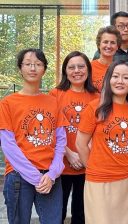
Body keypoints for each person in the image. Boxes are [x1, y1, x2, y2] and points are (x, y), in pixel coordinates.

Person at [0, 48, 67, 223]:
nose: (32, 68)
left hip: (50, 177)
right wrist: (35, 177)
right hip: (18, 176)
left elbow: (60, 140)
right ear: (20, 68)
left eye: (38, 64)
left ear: (44, 69)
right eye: (28, 64)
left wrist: (52, 174)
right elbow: (8, 146)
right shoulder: (8, 103)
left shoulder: (53, 102)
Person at [76, 61, 128, 224]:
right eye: (115, 76)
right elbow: (80, 144)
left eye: (126, 77)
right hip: (100, 179)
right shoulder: (95, 108)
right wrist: (93, 167)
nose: (120, 81)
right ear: (108, 80)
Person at [49, 51, 99, 224]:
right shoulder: (55, 95)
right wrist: (68, 153)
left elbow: (99, 132)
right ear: (65, 71)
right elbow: (50, 130)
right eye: (71, 67)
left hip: (88, 166)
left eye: (81, 66)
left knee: (82, 214)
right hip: (61, 166)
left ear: (88, 69)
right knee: (57, 213)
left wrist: (85, 154)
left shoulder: (97, 97)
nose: (77, 71)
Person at [91, 25, 121, 91]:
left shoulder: (120, 68)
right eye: (105, 42)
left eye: (113, 43)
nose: (109, 46)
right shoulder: (89, 68)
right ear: (99, 44)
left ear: (117, 46)